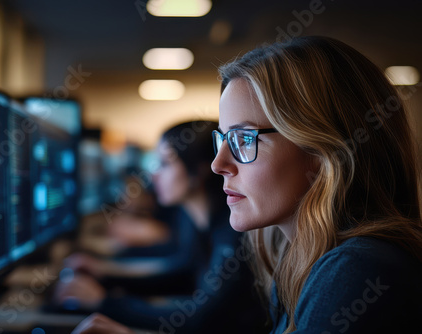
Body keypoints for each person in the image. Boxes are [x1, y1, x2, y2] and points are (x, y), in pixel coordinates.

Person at [72, 36, 422, 334]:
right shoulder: (300, 258)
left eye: (243, 139)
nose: (218, 164)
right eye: (222, 139)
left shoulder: (358, 270)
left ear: (323, 149)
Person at [57, 121, 268, 333]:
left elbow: (202, 319)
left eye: (165, 164)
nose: (154, 175)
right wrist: (106, 278)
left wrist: (104, 302)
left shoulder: (235, 230)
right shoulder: (195, 221)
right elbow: (183, 273)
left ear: (200, 169)